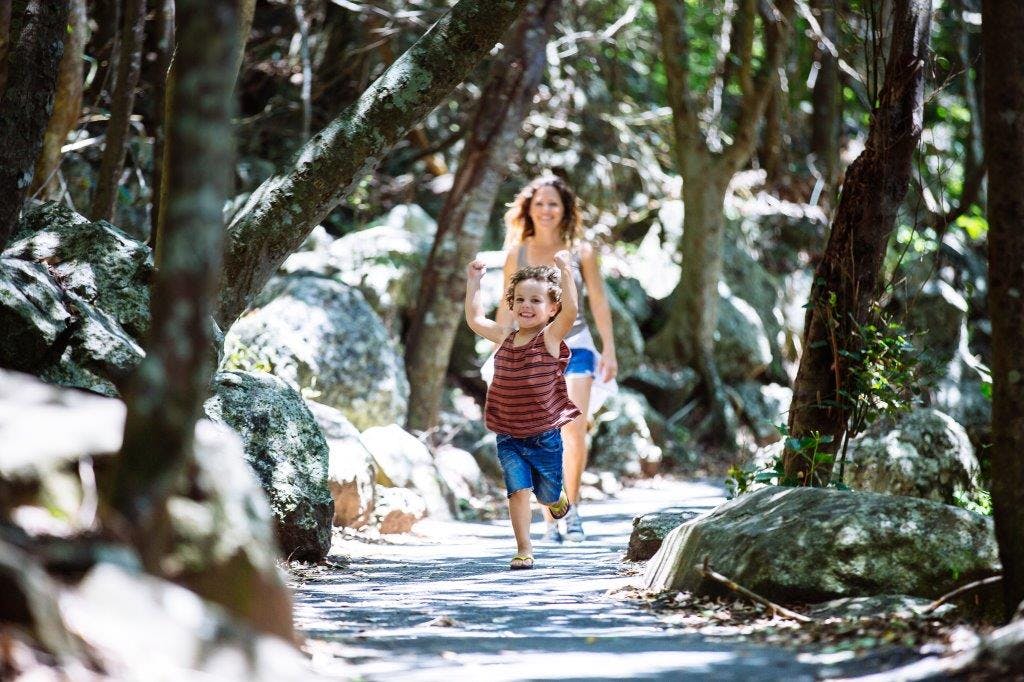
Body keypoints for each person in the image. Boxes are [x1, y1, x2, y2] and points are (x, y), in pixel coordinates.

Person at [497, 175, 618, 543]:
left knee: (573, 431)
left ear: (564, 210)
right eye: (539, 204)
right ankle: (552, 517)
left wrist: (609, 349)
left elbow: (598, 301)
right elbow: (507, 309)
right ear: (528, 210)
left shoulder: (581, 251)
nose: (546, 210)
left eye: (553, 204)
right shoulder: (516, 253)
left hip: (576, 346)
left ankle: (574, 510)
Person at [465, 254, 580, 570]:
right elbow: (475, 320)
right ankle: (524, 549)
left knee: (545, 494)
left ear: (551, 308)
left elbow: (572, 311)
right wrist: (474, 282)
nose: (526, 305)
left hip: (544, 435)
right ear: (511, 305)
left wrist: (566, 272)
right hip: (509, 433)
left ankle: (556, 499)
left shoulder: (551, 338)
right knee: (518, 491)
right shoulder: (505, 337)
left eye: (536, 300)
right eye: (519, 299)